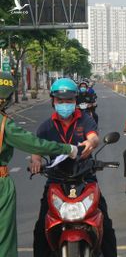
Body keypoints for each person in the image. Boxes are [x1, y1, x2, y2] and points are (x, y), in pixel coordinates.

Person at [30, 78, 117, 257]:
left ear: (75, 101)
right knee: (40, 229)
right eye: (60, 101)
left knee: (106, 227)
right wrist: (36, 161)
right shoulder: (46, 127)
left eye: (69, 100)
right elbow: (36, 148)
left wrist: (90, 143)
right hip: (56, 180)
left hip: (85, 179)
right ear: (53, 101)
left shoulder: (85, 120)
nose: (64, 104)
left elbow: (94, 137)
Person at [0, 73, 78, 257]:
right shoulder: (5, 124)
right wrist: (67, 149)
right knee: (3, 237)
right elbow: (35, 144)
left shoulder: (86, 119)